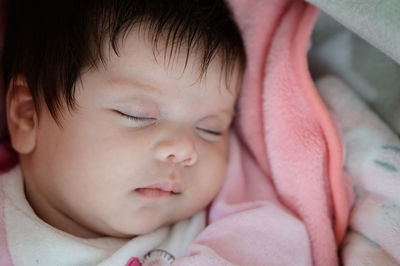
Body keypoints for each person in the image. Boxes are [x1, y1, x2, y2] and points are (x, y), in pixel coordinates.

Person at [1, 0, 245, 265]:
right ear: (28, 116)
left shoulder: (231, 228)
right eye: (138, 114)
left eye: (210, 129)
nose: (186, 149)